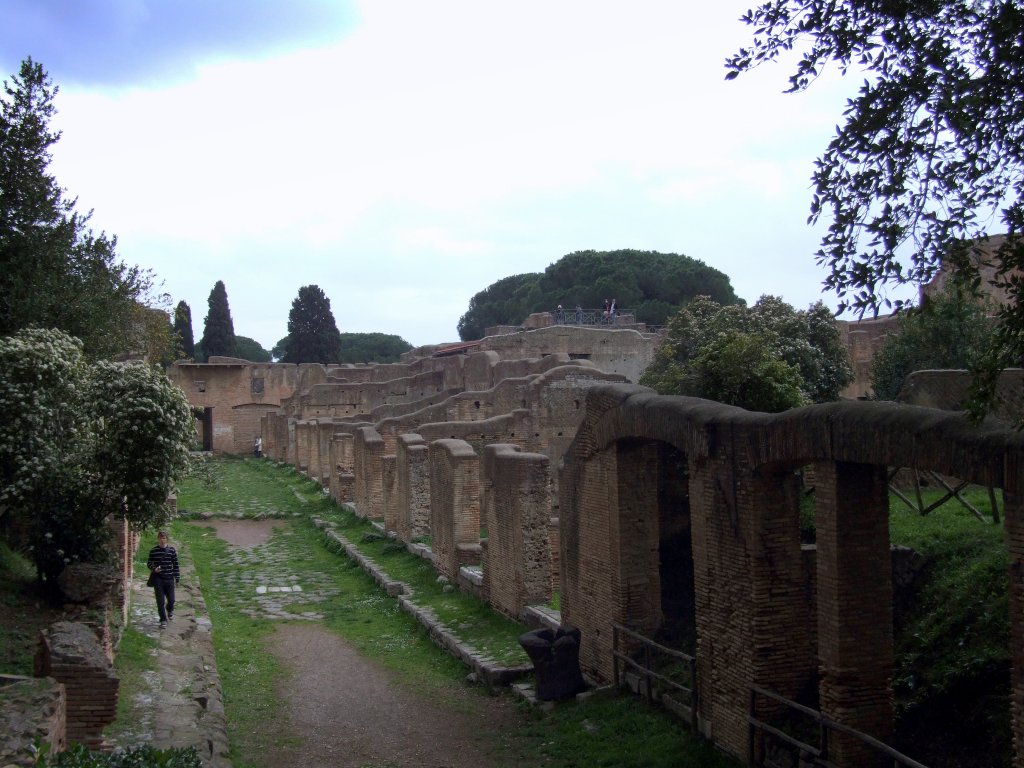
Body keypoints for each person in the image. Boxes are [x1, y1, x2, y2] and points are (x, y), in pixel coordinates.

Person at [147, 531, 180, 628]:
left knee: (172, 600)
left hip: (169, 578)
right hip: (158, 579)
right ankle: (163, 620)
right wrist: (154, 569)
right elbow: (149, 563)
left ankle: (169, 609)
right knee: (160, 601)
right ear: (158, 539)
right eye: (161, 538)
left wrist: (177, 578)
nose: (162, 540)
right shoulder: (153, 551)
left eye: (164, 538)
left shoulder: (171, 550)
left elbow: (176, 565)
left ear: (167, 539)